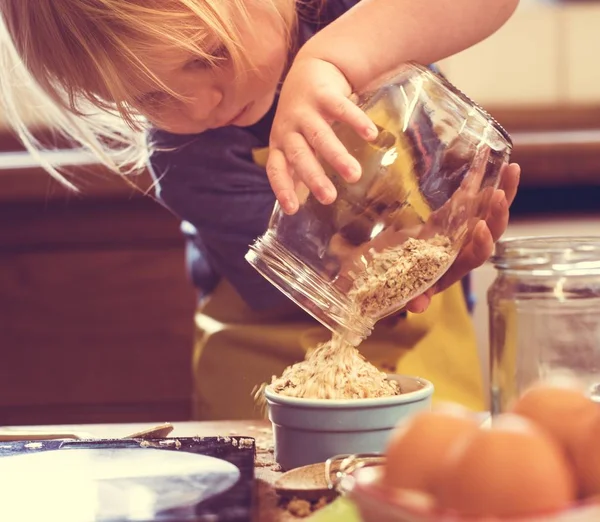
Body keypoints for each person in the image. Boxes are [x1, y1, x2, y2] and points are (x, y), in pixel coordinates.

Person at [0, 0, 521, 419]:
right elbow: (333, 284)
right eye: (153, 97)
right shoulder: (185, 157)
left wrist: (336, 59)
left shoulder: (348, 17)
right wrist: (418, 266)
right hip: (264, 407)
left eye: (207, 56)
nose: (201, 106)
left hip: (431, 385)